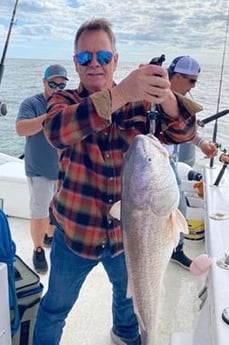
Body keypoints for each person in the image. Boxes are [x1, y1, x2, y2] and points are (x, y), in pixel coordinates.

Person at [33, 19, 201, 345]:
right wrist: (121, 92)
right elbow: (56, 131)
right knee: (54, 308)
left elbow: (185, 133)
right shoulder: (64, 100)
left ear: (115, 59)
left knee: (127, 304)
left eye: (102, 56)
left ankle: (127, 337)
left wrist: (165, 96)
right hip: (75, 236)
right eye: (85, 58)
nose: (94, 64)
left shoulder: (141, 106)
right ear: (75, 63)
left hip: (126, 239)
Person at [15, 64, 69, 274]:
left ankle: (49, 236)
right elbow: (21, 129)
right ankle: (38, 249)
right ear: (44, 82)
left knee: (56, 208)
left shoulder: (67, 102)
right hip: (38, 168)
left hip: (63, 168)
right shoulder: (32, 103)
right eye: (52, 83)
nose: (57, 88)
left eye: (61, 84)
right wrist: (48, 117)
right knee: (39, 212)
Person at [167, 56, 218, 269]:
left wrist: (202, 143)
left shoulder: (182, 104)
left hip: (169, 162)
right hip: (151, 166)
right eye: (192, 81)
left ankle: (175, 250)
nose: (194, 86)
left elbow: (187, 133)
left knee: (178, 208)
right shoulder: (152, 97)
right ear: (177, 77)